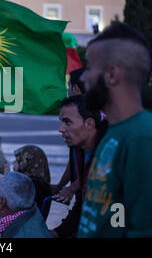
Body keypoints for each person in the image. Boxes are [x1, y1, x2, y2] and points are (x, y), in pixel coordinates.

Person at [78, 22, 152, 237]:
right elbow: (117, 218)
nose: (83, 78)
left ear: (112, 75)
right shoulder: (113, 133)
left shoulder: (145, 140)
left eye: (88, 68)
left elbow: (150, 233)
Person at [51, 95, 108, 238]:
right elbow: (83, 206)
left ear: (89, 124)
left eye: (67, 122)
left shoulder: (110, 157)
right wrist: (59, 232)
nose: (60, 129)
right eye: (61, 122)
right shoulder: (82, 150)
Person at [0, 145, 52, 221]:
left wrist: (4, 184)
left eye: (17, 161)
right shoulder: (37, 183)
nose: (13, 163)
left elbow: (5, 206)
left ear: (26, 163)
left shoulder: (31, 186)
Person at [51, 68, 86, 198]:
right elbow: (73, 161)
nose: (61, 129)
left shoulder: (93, 119)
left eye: (67, 122)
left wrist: (72, 188)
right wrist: (60, 186)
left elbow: (96, 166)